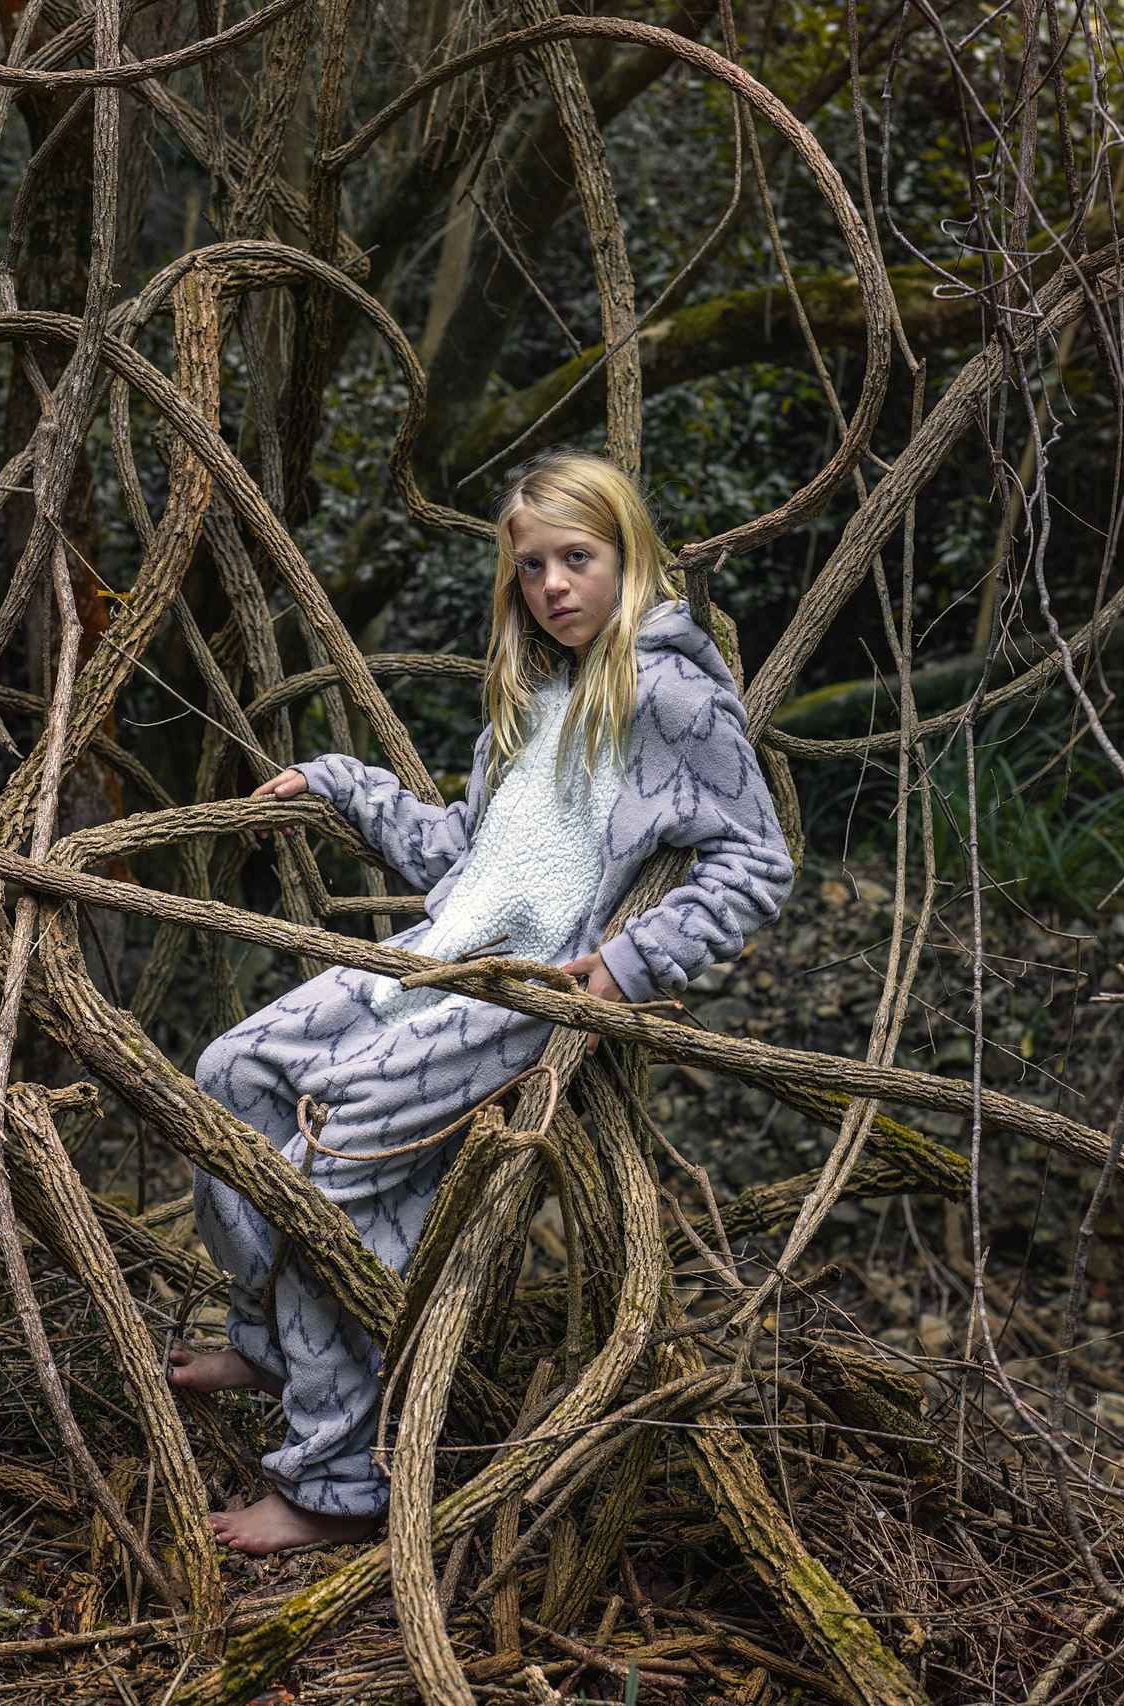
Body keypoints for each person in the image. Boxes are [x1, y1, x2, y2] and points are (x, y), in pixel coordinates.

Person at [169, 449, 795, 1554]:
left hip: (521, 991)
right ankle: (269, 1335)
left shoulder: (673, 695)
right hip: (437, 949)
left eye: (577, 558)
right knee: (232, 1074)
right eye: (531, 568)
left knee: (335, 1159)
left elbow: (755, 865)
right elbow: (462, 856)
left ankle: (331, 1483)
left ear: (627, 556)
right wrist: (342, 782)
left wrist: (633, 962)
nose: (553, 585)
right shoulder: (529, 697)